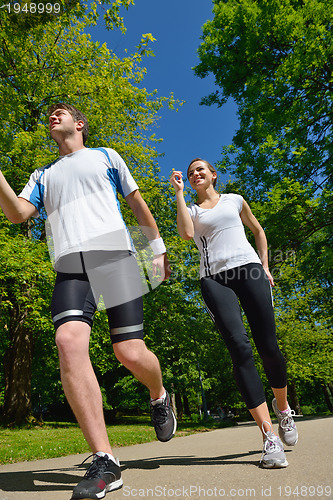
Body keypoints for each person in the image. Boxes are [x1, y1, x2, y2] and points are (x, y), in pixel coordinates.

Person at [0, 103, 176, 499]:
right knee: (68, 342)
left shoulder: (106, 156)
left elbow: (135, 203)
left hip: (117, 256)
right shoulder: (42, 174)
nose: (52, 116)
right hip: (70, 265)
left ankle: (158, 394)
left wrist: (158, 248)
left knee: (129, 352)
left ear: (79, 124)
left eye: (60, 112)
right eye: (50, 114)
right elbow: (17, 214)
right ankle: (105, 460)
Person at [170, 158, 298, 469]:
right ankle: (269, 437)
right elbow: (187, 234)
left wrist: (265, 266)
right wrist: (178, 194)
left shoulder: (235, 200)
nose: (195, 174)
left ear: (213, 175)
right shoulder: (193, 210)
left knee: (268, 347)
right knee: (240, 347)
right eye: (190, 173)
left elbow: (257, 229)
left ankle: (283, 410)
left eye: (201, 169)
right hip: (214, 279)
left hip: (250, 271)